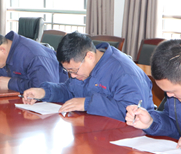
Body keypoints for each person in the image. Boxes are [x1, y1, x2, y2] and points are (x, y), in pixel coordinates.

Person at [21, 32, 153, 119]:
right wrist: (44, 92)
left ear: (89, 56)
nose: (72, 76)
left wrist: (87, 103)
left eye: (74, 70)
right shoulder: (85, 69)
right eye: (68, 71)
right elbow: (69, 90)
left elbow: (133, 112)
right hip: (94, 131)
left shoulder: (124, 72)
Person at [0, 30, 67, 93]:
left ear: (2, 50)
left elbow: (45, 90)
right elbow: (3, 78)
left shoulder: (33, 56)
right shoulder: (5, 55)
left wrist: (10, 84)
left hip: (57, 108)